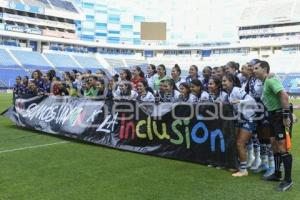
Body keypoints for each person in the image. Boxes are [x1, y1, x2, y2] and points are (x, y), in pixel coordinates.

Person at [254, 60, 293, 191]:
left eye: (256, 68)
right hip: (272, 116)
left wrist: (286, 116)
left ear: (264, 69)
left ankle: (288, 180)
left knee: (282, 147)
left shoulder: (270, 80)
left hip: (278, 116)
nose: (254, 71)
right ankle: (277, 174)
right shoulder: (266, 81)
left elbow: (284, 95)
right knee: (274, 145)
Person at [222, 73, 257, 177]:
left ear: (231, 82)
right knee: (236, 143)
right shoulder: (228, 93)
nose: (223, 83)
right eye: (222, 81)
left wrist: (239, 101)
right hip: (240, 120)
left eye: (225, 81)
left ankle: (243, 170)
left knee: (240, 144)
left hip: (248, 119)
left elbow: (252, 101)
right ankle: (238, 166)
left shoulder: (237, 90)